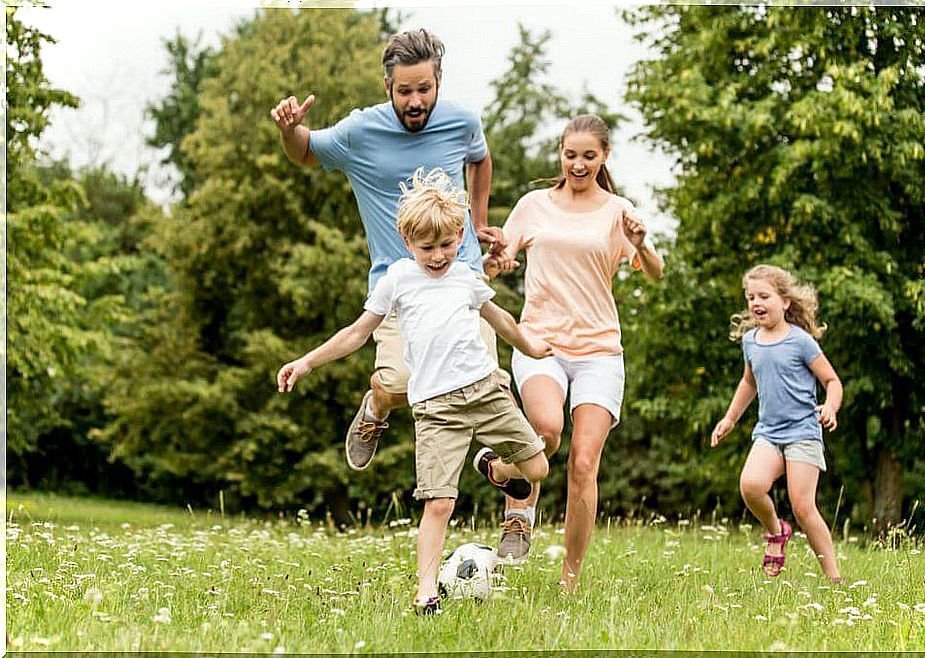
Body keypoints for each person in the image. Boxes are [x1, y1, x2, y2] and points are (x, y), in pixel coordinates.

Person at [276, 168, 550, 614]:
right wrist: (306, 361)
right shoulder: (399, 280)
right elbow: (356, 333)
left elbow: (501, 320)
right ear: (407, 242)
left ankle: (494, 467)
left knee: (535, 470)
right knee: (439, 502)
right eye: (427, 248)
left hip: (486, 393)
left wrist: (532, 347)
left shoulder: (465, 277)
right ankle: (425, 593)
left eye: (446, 245)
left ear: (459, 236)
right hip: (437, 410)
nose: (438, 256)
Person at [269, 28, 509, 473]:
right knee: (400, 384)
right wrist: (289, 130)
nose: (415, 101)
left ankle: (509, 490)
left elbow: (479, 156)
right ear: (387, 87)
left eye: (424, 89)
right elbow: (304, 153)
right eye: (404, 92)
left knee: (485, 386)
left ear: (439, 81)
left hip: (463, 276)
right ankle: (377, 406)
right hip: (399, 285)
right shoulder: (360, 132)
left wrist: (477, 220)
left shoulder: (461, 121)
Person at [486, 114, 664, 590]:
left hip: (599, 351)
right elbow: (499, 257)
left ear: (604, 157)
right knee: (545, 430)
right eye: (571, 155)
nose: (579, 164)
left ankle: (569, 580)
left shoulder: (617, 211)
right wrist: (499, 260)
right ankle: (514, 498)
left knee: (584, 463)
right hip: (540, 341)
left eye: (589, 156)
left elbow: (655, 272)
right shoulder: (533, 205)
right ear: (560, 154)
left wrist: (643, 246)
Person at [710, 264, 843, 581]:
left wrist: (831, 407)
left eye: (764, 296)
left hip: (803, 433)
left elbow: (832, 380)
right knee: (751, 485)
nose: (756, 302)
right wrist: (729, 418)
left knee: (803, 507)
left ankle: (834, 577)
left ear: (785, 301)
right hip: (769, 432)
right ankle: (775, 531)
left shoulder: (801, 342)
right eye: (750, 297)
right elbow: (748, 383)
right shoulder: (751, 342)